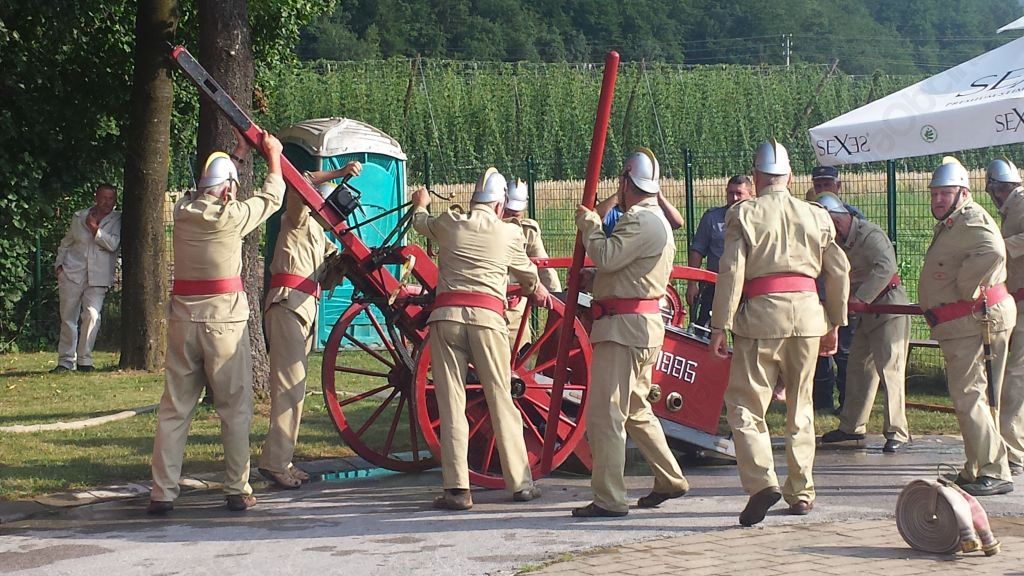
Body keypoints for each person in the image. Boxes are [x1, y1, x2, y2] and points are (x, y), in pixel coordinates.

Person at [709, 141, 849, 526]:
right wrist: (834, 322)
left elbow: (732, 271)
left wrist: (720, 324)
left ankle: (762, 482)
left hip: (760, 319)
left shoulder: (743, 214)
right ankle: (801, 491)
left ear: (756, 177)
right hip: (807, 319)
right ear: (789, 177)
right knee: (801, 405)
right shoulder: (817, 215)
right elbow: (839, 270)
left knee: (745, 405)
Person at [148, 130, 285, 514]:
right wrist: (273, 156)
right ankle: (237, 488)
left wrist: (237, 154)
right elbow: (272, 197)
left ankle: (162, 492)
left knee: (174, 409)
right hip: (224, 323)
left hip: (183, 321)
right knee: (234, 408)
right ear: (227, 191)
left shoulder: (182, 211)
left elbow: (209, 189)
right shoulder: (232, 217)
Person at [411, 168, 550, 511]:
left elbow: (420, 222)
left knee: (451, 404)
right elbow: (529, 276)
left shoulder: (449, 223)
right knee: (501, 398)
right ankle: (521, 483)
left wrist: (421, 203)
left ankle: (457, 489)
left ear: (474, 199)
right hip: (488, 322)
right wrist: (538, 290)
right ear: (500, 205)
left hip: (446, 320)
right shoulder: (509, 234)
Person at [572, 148, 690, 518]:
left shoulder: (639, 220)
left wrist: (590, 224)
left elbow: (607, 256)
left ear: (626, 181)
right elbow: (629, 271)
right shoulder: (657, 220)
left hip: (623, 329)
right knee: (636, 408)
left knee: (606, 413)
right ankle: (669, 477)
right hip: (639, 325)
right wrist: (601, 280)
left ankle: (609, 497)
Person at [257, 161, 362, 489]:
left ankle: (282, 460)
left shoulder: (322, 238)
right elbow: (300, 180)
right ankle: (275, 463)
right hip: (287, 306)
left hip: (303, 311)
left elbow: (327, 278)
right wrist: (339, 174)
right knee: (289, 388)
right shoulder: (297, 219)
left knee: (295, 389)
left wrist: (343, 265)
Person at [924, 157, 1015, 497]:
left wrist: (967, 286)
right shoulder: (956, 221)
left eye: (945, 193)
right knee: (975, 395)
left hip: (973, 320)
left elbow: (993, 250)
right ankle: (977, 465)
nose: (937, 200)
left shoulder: (971, 220)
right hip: (967, 321)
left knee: (971, 396)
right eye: (934, 193)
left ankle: (993, 469)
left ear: (962, 193)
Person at [815, 193, 910, 454]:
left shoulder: (870, 235)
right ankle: (852, 427)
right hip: (867, 310)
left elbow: (885, 267)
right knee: (858, 367)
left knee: (890, 369)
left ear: (837, 221)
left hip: (888, 305)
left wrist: (859, 298)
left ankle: (897, 431)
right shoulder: (838, 242)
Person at [52, 184, 122, 373]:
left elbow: (113, 244)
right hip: (72, 272)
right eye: (104, 198)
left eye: (111, 198)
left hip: (99, 275)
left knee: (92, 315)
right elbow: (67, 242)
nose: (107, 202)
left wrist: (95, 229)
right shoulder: (79, 217)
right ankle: (66, 361)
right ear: (96, 197)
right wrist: (59, 265)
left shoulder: (118, 219)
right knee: (68, 318)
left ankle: (85, 360)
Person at [983, 158, 1024, 477]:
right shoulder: (1013, 206)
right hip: (1016, 300)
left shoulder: (1020, 203)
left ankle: (1013, 448)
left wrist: (994, 245)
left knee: (1015, 375)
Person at [809, 166, 856, 413]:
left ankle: (848, 402)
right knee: (817, 352)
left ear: (838, 186)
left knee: (845, 351)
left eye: (827, 185)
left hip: (843, 294)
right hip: (816, 295)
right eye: (818, 185)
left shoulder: (852, 217)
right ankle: (822, 401)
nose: (822, 190)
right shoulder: (807, 215)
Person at [503, 178, 562, 351]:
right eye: (508, 212)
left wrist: (557, 300)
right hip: (488, 306)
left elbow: (545, 268)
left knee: (521, 355)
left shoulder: (528, 232)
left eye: (515, 214)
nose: (510, 217)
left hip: (515, 311)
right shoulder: (485, 229)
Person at [686, 175, 754, 327]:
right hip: (715, 286)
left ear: (751, 195)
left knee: (746, 334)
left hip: (747, 287)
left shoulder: (759, 220)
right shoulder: (712, 218)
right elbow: (697, 251)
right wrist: (692, 284)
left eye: (739, 194)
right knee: (704, 332)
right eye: (730, 193)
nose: (734, 198)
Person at [596, 185, 684, 236]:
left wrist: (660, 198)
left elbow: (677, 223)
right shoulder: (614, 212)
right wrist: (618, 196)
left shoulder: (653, 211)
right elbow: (593, 216)